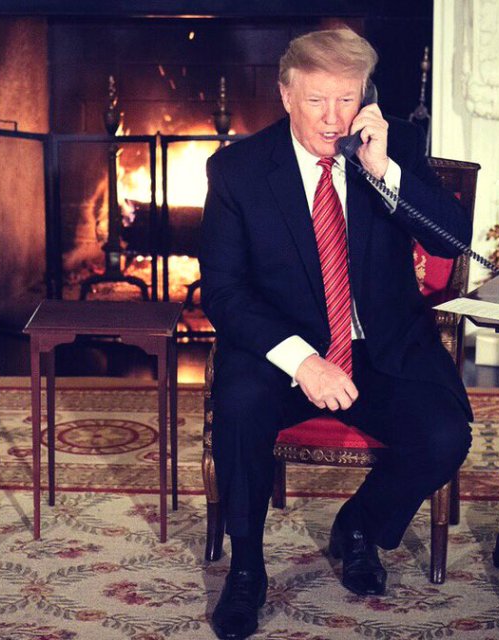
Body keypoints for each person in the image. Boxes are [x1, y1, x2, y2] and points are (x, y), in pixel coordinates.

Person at [199, 27, 473, 639]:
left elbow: (451, 242)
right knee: (239, 404)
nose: (332, 118)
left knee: (444, 435)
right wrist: (302, 362)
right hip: (283, 350)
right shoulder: (239, 170)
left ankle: (358, 526)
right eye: (317, 100)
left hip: (382, 345)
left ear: (365, 98)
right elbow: (223, 290)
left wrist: (384, 169)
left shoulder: (394, 146)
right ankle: (246, 570)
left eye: (347, 99)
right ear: (286, 95)